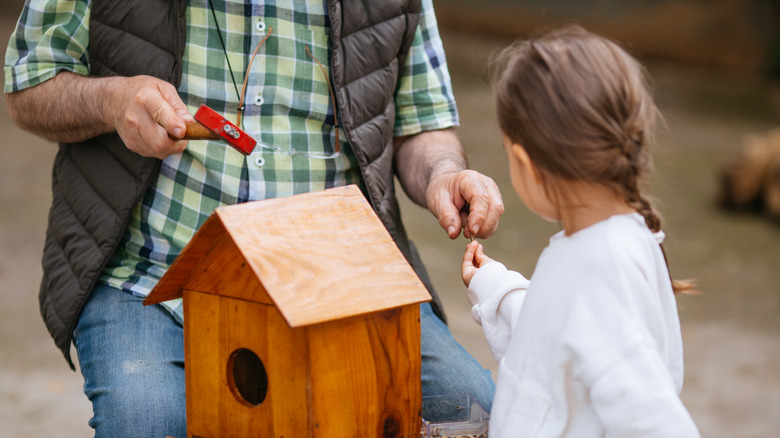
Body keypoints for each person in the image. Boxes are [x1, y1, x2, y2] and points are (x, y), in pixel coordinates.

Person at [4, 0, 503, 436]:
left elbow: (424, 123)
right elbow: (29, 83)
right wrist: (111, 100)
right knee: (147, 419)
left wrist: (444, 175)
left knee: (473, 407)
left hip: (342, 279)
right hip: (153, 276)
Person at [460, 27, 700, 437]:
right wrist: (495, 286)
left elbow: (652, 419)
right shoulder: (608, 242)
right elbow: (558, 343)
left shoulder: (602, 264)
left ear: (526, 161)